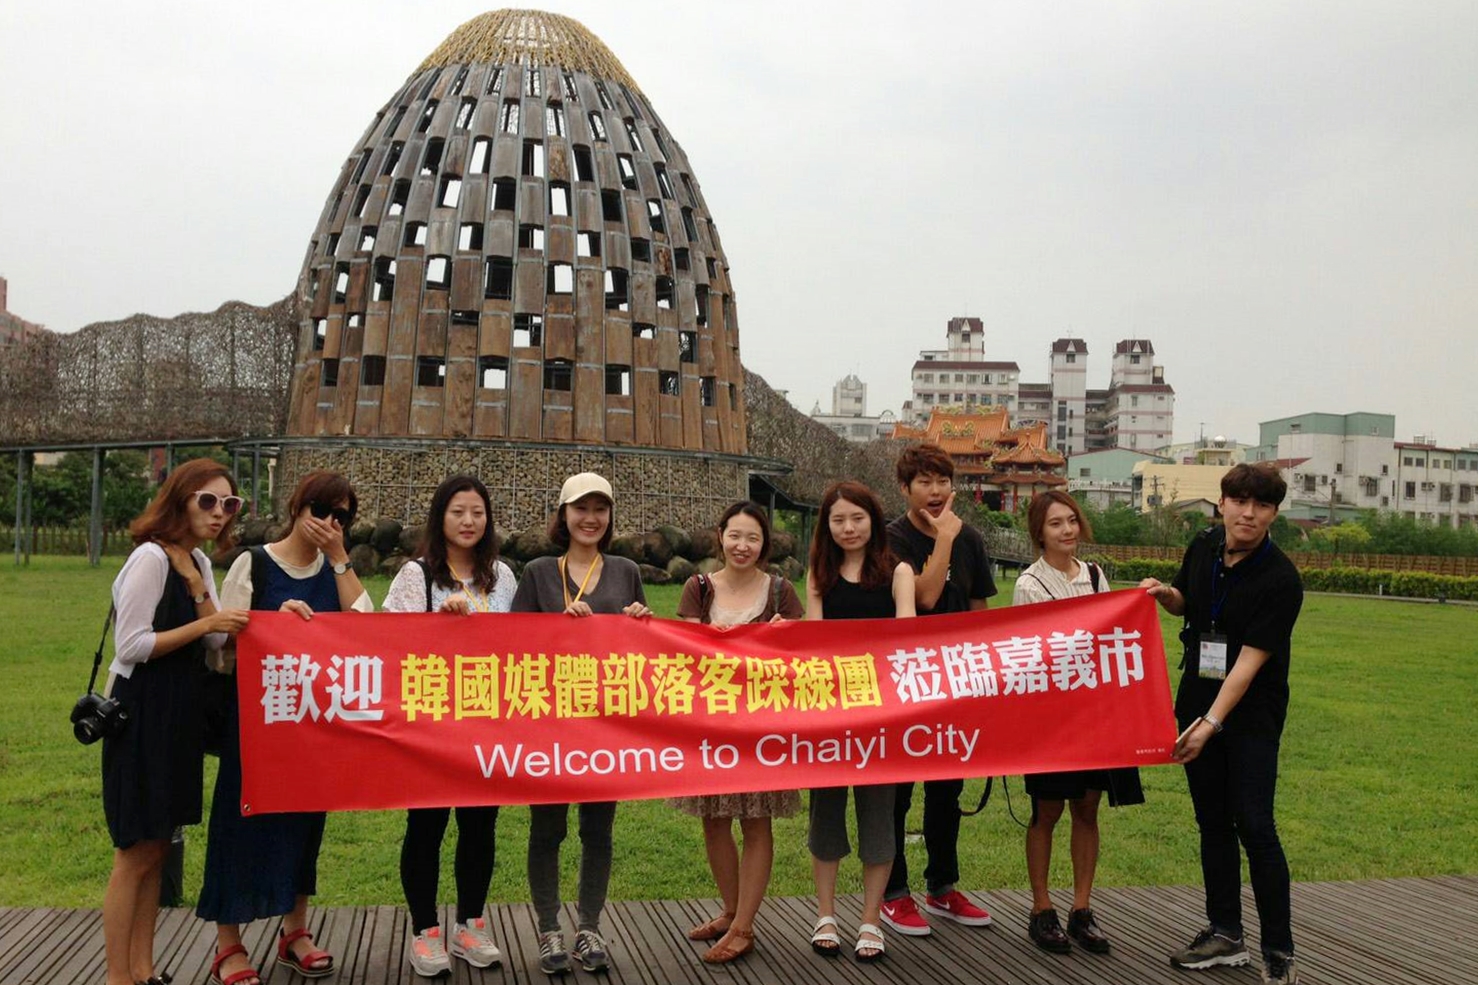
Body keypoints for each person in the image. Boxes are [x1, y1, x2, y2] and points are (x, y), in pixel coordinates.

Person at [199, 471, 373, 985]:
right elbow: (220, 646)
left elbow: (366, 630)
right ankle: (228, 944)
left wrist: (340, 558)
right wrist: (271, 623)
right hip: (256, 722)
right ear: (298, 507)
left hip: (312, 726)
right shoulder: (255, 562)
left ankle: (295, 931)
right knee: (238, 822)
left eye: (341, 516)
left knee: (304, 825)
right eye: (321, 509)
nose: (329, 522)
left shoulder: (334, 570)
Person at [1140, 463, 1304, 985]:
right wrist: (1166, 596)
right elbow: (1188, 603)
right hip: (1197, 700)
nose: (1248, 514)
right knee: (1212, 822)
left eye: (1262, 506)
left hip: (1251, 714)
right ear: (1223, 504)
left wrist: (1211, 723)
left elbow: (1250, 662)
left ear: (1274, 514)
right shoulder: (1205, 545)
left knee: (1255, 825)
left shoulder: (1281, 579)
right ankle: (1225, 933)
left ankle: (1278, 950)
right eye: (1240, 502)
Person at [102, 459, 250, 985]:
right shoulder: (149, 558)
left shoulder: (198, 561)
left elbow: (218, 638)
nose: (218, 512)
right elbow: (132, 644)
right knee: (135, 851)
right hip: (141, 712)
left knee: (159, 846)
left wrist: (199, 589)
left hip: (179, 714)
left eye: (229, 503)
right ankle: (119, 976)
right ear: (179, 500)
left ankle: (143, 970)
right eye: (207, 500)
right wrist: (205, 620)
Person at [511, 472, 652, 975]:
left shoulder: (625, 571)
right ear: (563, 514)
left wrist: (641, 622)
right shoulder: (538, 573)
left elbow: (644, 651)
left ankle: (589, 926)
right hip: (549, 725)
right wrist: (556, 629)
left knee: (598, 830)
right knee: (547, 830)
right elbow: (512, 647)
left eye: (600, 509)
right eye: (581, 509)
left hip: (606, 727)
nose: (591, 519)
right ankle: (549, 928)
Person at [383, 475, 518, 977]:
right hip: (430, 726)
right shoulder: (416, 575)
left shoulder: (502, 576)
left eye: (477, 512)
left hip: (487, 723)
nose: (468, 521)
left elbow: (526, 643)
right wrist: (437, 622)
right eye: (458, 511)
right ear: (440, 517)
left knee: (480, 827)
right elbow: (387, 645)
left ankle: (470, 925)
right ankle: (425, 932)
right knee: (426, 826)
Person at [670, 501, 805, 964]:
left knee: (755, 820)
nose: (742, 545)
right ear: (720, 536)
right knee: (714, 819)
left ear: (764, 544)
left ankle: (745, 926)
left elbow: (800, 663)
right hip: (711, 725)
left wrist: (783, 638)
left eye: (752, 537)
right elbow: (685, 655)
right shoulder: (698, 588)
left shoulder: (782, 592)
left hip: (762, 729)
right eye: (735, 535)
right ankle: (730, 913)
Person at [1012, 490, 1144, 955]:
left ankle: (1082, 908)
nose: (1067, 530)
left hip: (1094, 714)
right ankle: (1041, 907)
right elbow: (1029, 654)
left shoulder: (1094, 575)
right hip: (1050, 718)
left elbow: (1111, 635)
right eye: (1055, 523)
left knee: (1087, 808)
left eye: (1071, 520)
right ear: (1039, 532)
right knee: (1046, 810)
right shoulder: (1030, 584)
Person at [880, 443, 998, 936]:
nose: (935, 491)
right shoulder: (891, 538)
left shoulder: (969, 538)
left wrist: (984, 679)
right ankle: (893, 892)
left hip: (956, 681)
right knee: (898, 791)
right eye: (924, 482)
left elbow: (979, 611)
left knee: (947, 789)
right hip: (904, 681)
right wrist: (944, 538)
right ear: (905, 488)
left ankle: (942, 886)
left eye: (942, 481)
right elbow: (924, 598)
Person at [804, 480, 916, 963]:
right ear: (826, 526)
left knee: (879, 817)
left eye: (857, 518)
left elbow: (906, 639)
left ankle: (871, 919)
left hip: (881, 717)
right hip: (828, 715)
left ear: (873, 520)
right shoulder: (819, 573)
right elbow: (811, 641)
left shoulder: (899, 572)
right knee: (825, 815)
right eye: (838, 520)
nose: (848, 528)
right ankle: (826, 914)